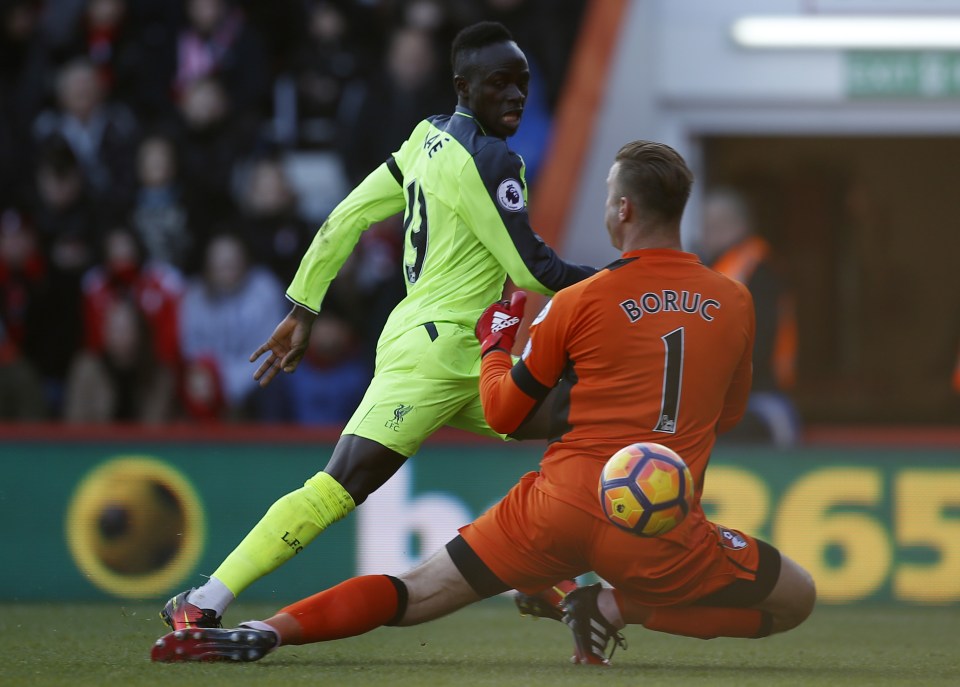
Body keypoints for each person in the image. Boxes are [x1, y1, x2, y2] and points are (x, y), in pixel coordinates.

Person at [151, 140, 815, 666]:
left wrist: (497, 343)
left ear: (622, 212)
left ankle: (267, 630)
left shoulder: (576, 301)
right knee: (795, 599)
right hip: (659, 527)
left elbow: (501, 413)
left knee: (417, 589)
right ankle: (613, 609)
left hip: (557, 509)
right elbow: (728, 417)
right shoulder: (734, 300)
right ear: (683, 211)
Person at [157, 20, 595, 632]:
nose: (516, 97)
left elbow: (347, 215)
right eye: (501, 84)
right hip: (438, 356)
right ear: (464, 86)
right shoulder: (492, 159)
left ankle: (541, 564)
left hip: (462, 354)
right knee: (341, 484)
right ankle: (207, 601)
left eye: (522, 84)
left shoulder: (425, 140)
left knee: (590, 422)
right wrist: (627, 280)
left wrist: (304, 304)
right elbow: (536, 269)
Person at [700, 188, 801, 446]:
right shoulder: (713, 266)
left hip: (761, 396)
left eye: (713, 226)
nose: (706, 235)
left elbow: (761, 338)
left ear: (737, 224)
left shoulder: (759, 270)